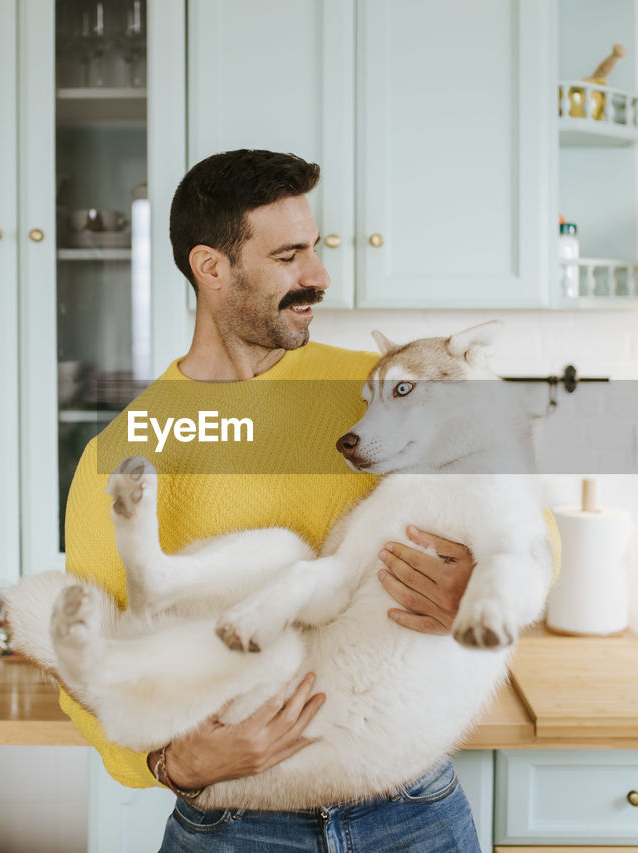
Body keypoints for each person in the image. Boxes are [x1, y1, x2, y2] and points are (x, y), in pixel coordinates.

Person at [60, 149, 490, 851]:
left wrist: (474, 583)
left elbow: (522, 518)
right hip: (237, 823)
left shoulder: (377, 388)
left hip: (411, 808)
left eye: (313, 250)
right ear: (211, 267)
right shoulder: (129, 446)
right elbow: (84, 654)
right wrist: (170, 762)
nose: (318, 276)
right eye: (289, 256)